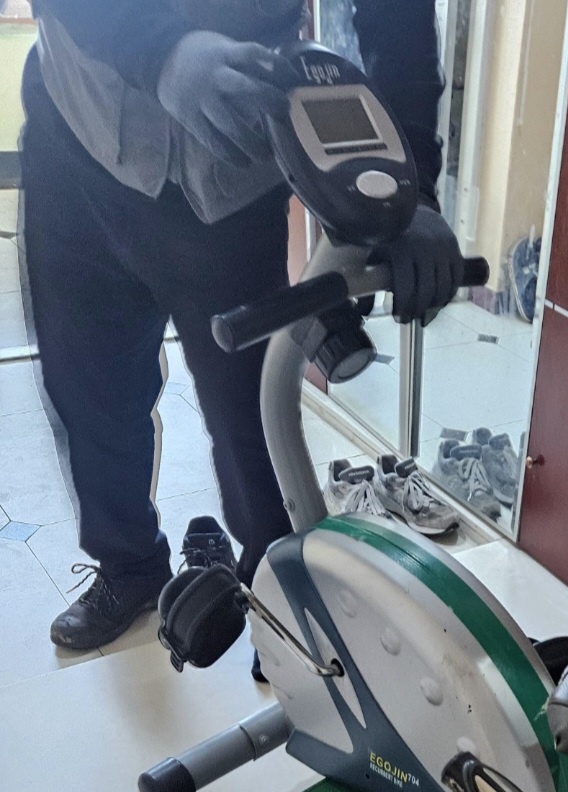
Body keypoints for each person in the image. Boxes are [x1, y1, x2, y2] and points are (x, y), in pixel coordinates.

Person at [21, 0, 463, 651]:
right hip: (80, 143)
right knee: (90, 393)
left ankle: (277, 596)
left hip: (234, 166)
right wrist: (158, 49)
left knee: (253, 414)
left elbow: (396, 16)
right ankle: (130, 567)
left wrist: (413, 188)